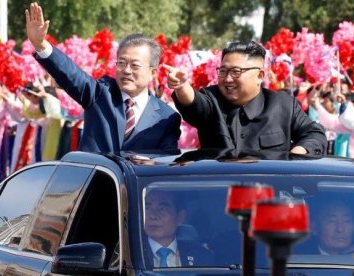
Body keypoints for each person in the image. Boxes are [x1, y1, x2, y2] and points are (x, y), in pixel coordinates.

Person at [25, 3, 181, 153]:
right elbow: (71, 73)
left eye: (135, 65)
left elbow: (164, 166)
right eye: (121, 62)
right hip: (93, 179)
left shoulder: (166, 117)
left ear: (153, 72)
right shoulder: (100, 93)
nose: (126, 70)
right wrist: (41, 45)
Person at [165, 41, 327, 155]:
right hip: (219, 195)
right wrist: (182, 86)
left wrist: (294, 156)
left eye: (236, 72)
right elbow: (195, 104)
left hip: (270, 196)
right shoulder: (211, 98)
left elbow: (314, 135)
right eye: (223, 71)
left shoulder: (284, 105)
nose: (228, 79)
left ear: (259, 76)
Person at [144, 190, 214, 267]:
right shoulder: (131, 254)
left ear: (180, 217)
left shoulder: (201, 256)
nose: (153, 216)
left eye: (162, 209)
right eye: (147, 208)